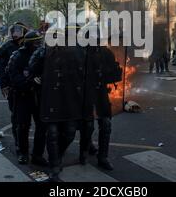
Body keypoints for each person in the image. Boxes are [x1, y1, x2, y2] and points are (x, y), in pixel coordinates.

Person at [28, 25, 86, 182]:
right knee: (52, 133)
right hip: (51, 97)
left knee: (70, 132)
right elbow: (31, 69)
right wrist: (35, 78)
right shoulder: (45, 51)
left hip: (71, 98)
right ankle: (54, 167)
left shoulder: (81, 52)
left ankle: (58, 156)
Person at [80, 35, 122, 171]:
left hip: (101, 92)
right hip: (86, 93)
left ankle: (103, 157)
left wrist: (111, 73)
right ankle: (85, 150)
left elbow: (115, 73)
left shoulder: (106, 53)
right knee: (88, 125)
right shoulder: (81, 53)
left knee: (106, 124)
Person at [7, 30, 48, 166]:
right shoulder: (17, 56)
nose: (38, 45)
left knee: (42, 127)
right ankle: (23, 153)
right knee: (22, 126)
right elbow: (13, 77)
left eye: (39, 42)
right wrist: (30, 81)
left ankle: (37, 154)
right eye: (35, 43)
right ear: (29, 43)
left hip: (40, 96)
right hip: (22, 96)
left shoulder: (44, 55)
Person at [0, 22, 28, 158]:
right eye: (15, 30)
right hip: (14, 87)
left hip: (30, 87)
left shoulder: (29, 44)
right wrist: (4, 85)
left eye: (19, 30)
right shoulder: (7, 47)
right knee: (17, 118)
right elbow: (2, 68)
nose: (16, 33)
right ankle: (19, 146)